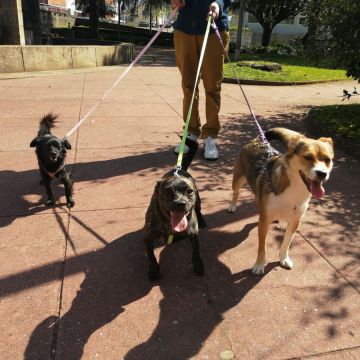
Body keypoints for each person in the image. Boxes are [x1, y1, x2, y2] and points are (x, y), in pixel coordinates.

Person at [172, 0, 231, 160]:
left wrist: (218, 3)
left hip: (213, 28)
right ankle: (190, 132)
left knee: (212, 86)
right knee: (188, 86)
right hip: (184, 29)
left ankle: (210, 135)